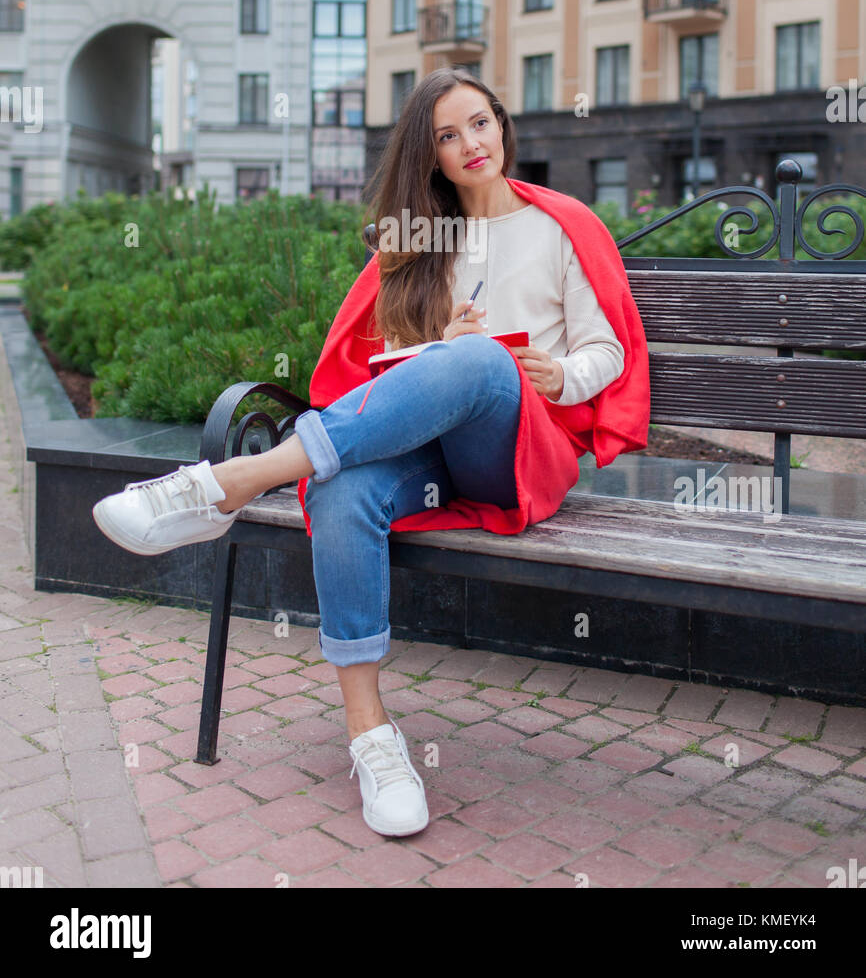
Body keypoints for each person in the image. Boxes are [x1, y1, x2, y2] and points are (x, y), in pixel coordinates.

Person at [92, 68, 650, 840]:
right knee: (340, 487)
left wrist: (560, 374)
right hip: (424, 450)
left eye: (480, 123)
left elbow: (609, 351)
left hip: (518, 450)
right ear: (431, 156)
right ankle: (372, 737)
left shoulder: (562, 225)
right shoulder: (419, 240)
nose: (471, 145)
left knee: (482, 362)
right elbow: (376, 360)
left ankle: (226, 484)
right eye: (448, 137)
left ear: (502, 124)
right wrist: (431, 347)